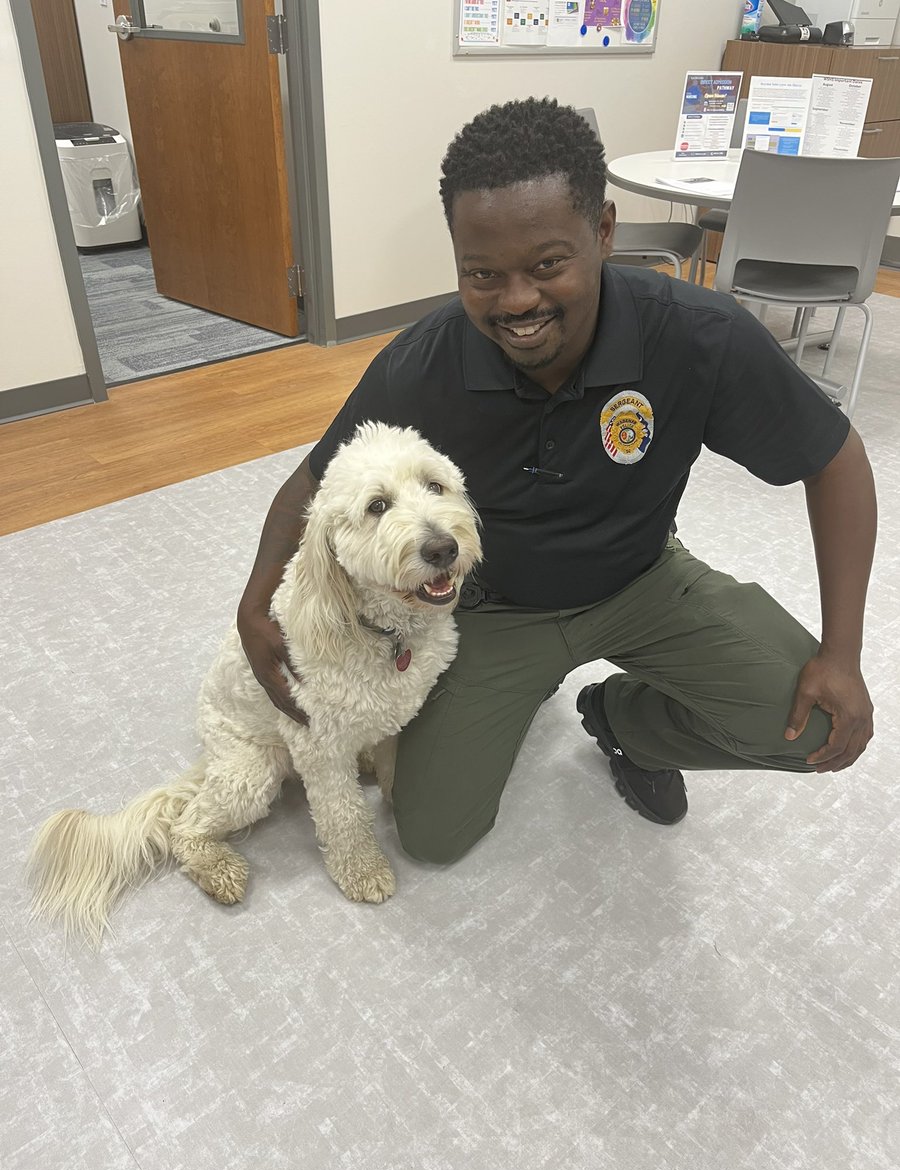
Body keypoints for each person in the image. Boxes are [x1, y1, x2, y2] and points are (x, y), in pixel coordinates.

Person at [237, 97, 875, 866]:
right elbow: (314, 482)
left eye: (547, 265)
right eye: (482, 274)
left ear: (603, 233)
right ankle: (534, 681)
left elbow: (834, 460)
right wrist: (255, 600)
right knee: (435, 835)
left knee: (817, 729)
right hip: (494, 609)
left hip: (642, 578)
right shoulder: (426, 360)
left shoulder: (697, 336)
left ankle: (623, 724)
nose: (516, 302)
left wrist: (843, 651)